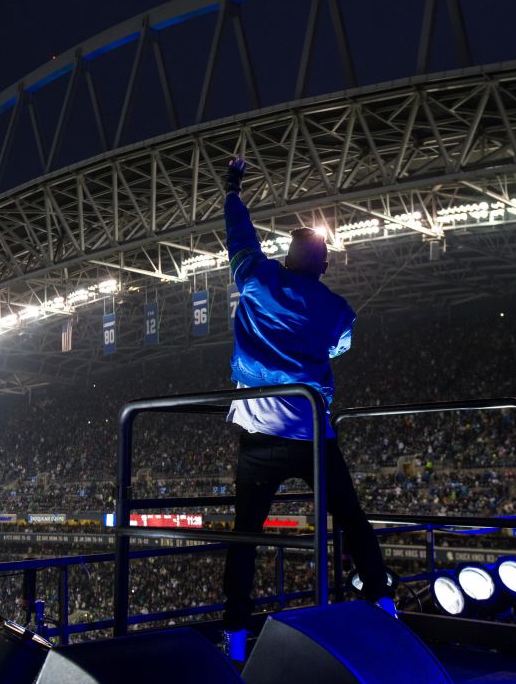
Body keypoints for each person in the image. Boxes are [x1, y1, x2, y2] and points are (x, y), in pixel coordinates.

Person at [219, 157, 397, 661]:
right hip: (314, 435)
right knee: (352, 520)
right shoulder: (339, 310)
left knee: (245, 536)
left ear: (287, 258)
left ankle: (234, 635)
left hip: (258, 440)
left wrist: (234, 192)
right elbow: (338, 347)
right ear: (324, 266)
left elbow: (239, 238)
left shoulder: (256, 280)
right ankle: (385, 608)